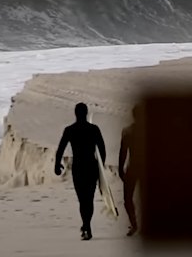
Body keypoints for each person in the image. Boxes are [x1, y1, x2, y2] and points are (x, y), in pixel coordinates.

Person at [55, 102, 106, 240]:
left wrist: (57, 165)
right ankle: (86, 225)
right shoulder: (94, 129)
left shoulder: (70, 130)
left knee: (82, 200)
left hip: (78, 167)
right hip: (91, 166)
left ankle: (86, 226)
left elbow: (60, 149)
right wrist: (102, 166)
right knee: (89, 199)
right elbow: (102, 149)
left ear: (75, 114)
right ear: (87, 113)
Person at [118, 105, 142, 237]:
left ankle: (134, 224)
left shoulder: (128, 131)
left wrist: (120, 168)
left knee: (127, 199)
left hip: (133, 168)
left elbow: (123, 152)